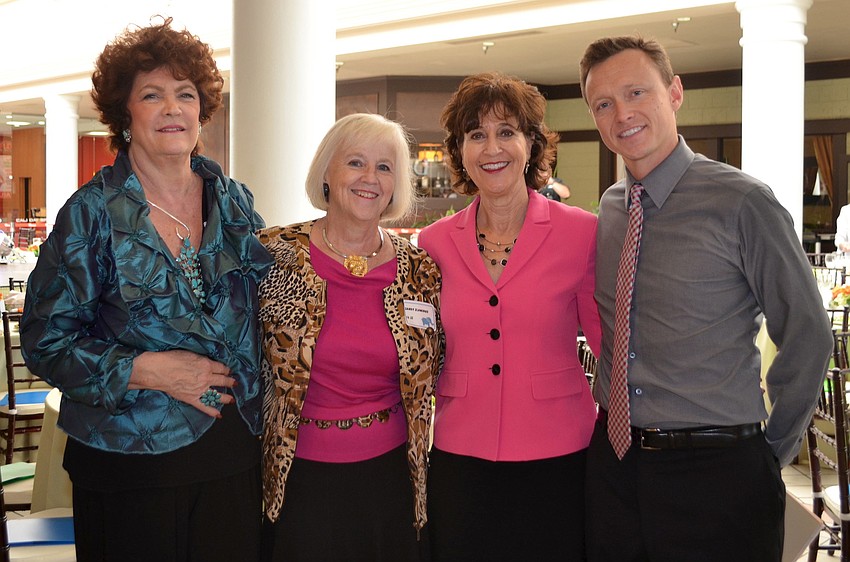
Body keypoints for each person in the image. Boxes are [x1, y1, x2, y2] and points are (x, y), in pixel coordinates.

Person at [19, 17, 272, 561]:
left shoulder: (235, 203)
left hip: (233, 454)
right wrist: (148, 370)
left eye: (185, 94)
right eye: (152, 95)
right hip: (127, 463)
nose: (172, 109)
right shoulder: (90, 214)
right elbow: (45, 341)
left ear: (202, 110)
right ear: (125, 115)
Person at [579, 35, 833, 561]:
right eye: (603, 104)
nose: (621, 113)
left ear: (673, 92)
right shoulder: (610, 208)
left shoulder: (743, 202)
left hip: (717, 475)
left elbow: (808, 335)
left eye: (636, 92)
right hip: (614, 466)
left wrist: (767, 454)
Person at [417, 71, 601, 560]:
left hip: (559, 455)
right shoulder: (433, 243)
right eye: (476, 135)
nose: (491, 147)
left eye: (506, 132)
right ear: (460, 151)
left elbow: (611, 349)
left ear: (531, 144)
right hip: (460, 455)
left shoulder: (581, 232)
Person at [258, 113, 443, 561]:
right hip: (296, 478)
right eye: (355, 162)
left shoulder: (421, 271)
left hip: (391, 479)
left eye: (384, 167)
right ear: (326, 172)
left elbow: (438, 368)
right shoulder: (274, 256)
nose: (370, 178)